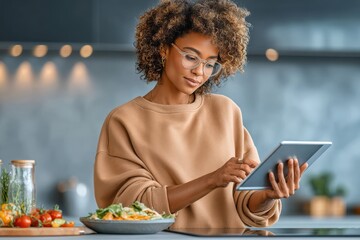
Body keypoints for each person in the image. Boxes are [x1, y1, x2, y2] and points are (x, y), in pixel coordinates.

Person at [94, 0, 308, 228]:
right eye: (190, 57)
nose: (199, 71)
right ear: (164, 48)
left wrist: (268, 195)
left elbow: (246, 204)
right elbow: (133, 208)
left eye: (210, 64)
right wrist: (213, 179)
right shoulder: (124, 121)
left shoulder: (226, 112)